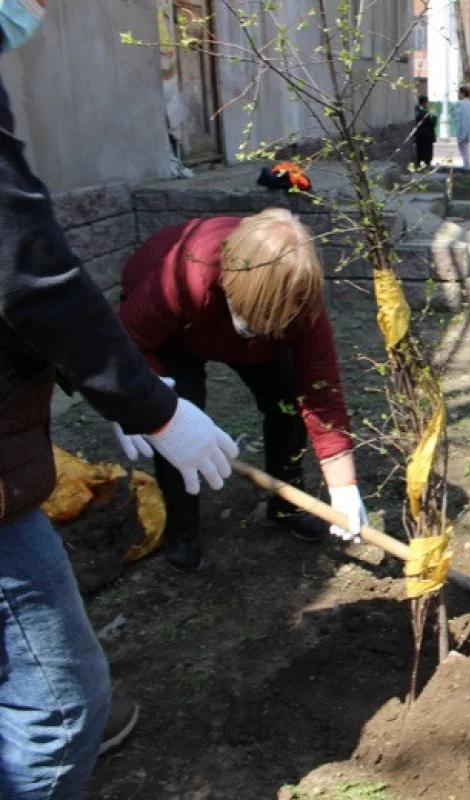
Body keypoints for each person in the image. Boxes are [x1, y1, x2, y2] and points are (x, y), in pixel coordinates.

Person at [1, 18, 238, 799]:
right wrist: (149, 407)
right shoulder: (178, 272)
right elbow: (29, 276)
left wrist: (104, 388)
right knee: (63, 706)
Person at [117, 209, 369, 573]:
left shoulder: (301, 307)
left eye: (271, 321)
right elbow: (128, 338)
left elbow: (321, 392)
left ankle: (287, 504)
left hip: (253, 333)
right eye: (251, 319)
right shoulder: (186, 274)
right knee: (176, 422)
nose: (252, 330)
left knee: (286, 406)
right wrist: (141, 400)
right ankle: (182, 528)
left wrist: (344, 487)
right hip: (175, 333)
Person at [413, 94, 437, 169]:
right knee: (427, 152)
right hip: (426, 136)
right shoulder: (425, 113)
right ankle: (425, 166)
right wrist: (434, 116)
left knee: (420, 151)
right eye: (427, 102)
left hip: (419, 136)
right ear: (424, 103)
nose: (428, 104)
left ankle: (420, 165)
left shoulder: (416, 111)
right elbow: (432, 123)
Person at [453, 85, 470, 168]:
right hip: (468, 131)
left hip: (462, 131)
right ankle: (467, 166)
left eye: (459, 93)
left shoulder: (460, 104)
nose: (458, 95)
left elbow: (460, 120)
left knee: (464, 151)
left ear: (463, 93)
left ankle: (466, 167)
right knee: (466, 150)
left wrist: (462, 135)